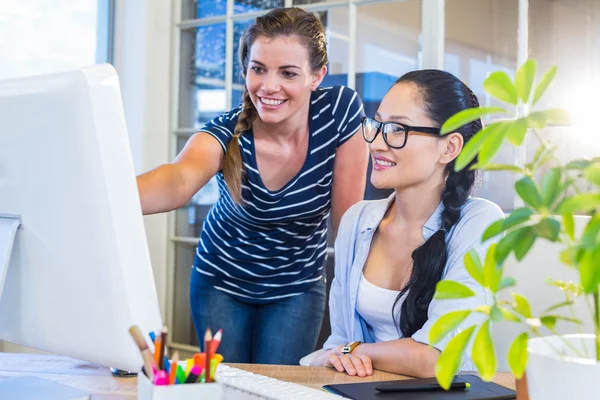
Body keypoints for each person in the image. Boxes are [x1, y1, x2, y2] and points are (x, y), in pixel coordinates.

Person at [136, 7, 368, 364]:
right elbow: (177, 180)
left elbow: (347, 223)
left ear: (317, 76)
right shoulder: (228, 132)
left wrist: (366, 308)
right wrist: (97, 196)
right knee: (230, 385)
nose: (269, 86)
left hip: (297, 286)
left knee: (277, 386)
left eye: (288, 73)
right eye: (258, 69)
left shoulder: (339, 111)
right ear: (245, 69)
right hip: (221, 281)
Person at [309, 70, 504, 377]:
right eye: (376, 124)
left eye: (397, 129)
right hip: (362, 390)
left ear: (449, 147)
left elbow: (436, 358)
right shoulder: (357, 221)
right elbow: (341, 343)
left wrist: (355, 351)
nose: (376, 143)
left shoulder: (479, 222)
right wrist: (343, 353)